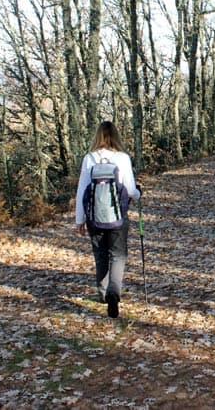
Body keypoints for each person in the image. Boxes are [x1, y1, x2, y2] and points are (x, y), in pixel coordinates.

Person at [75, 121, 141, 318]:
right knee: (118, 255)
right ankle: (114, 291)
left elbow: (81, 191)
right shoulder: (122, 158)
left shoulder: (89, 159)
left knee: (100, 254)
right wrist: (138, 193)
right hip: (118, 216)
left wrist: (80, 219)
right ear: (116, 136)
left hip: (95, 217)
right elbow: (130, 190)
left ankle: (103, 294)